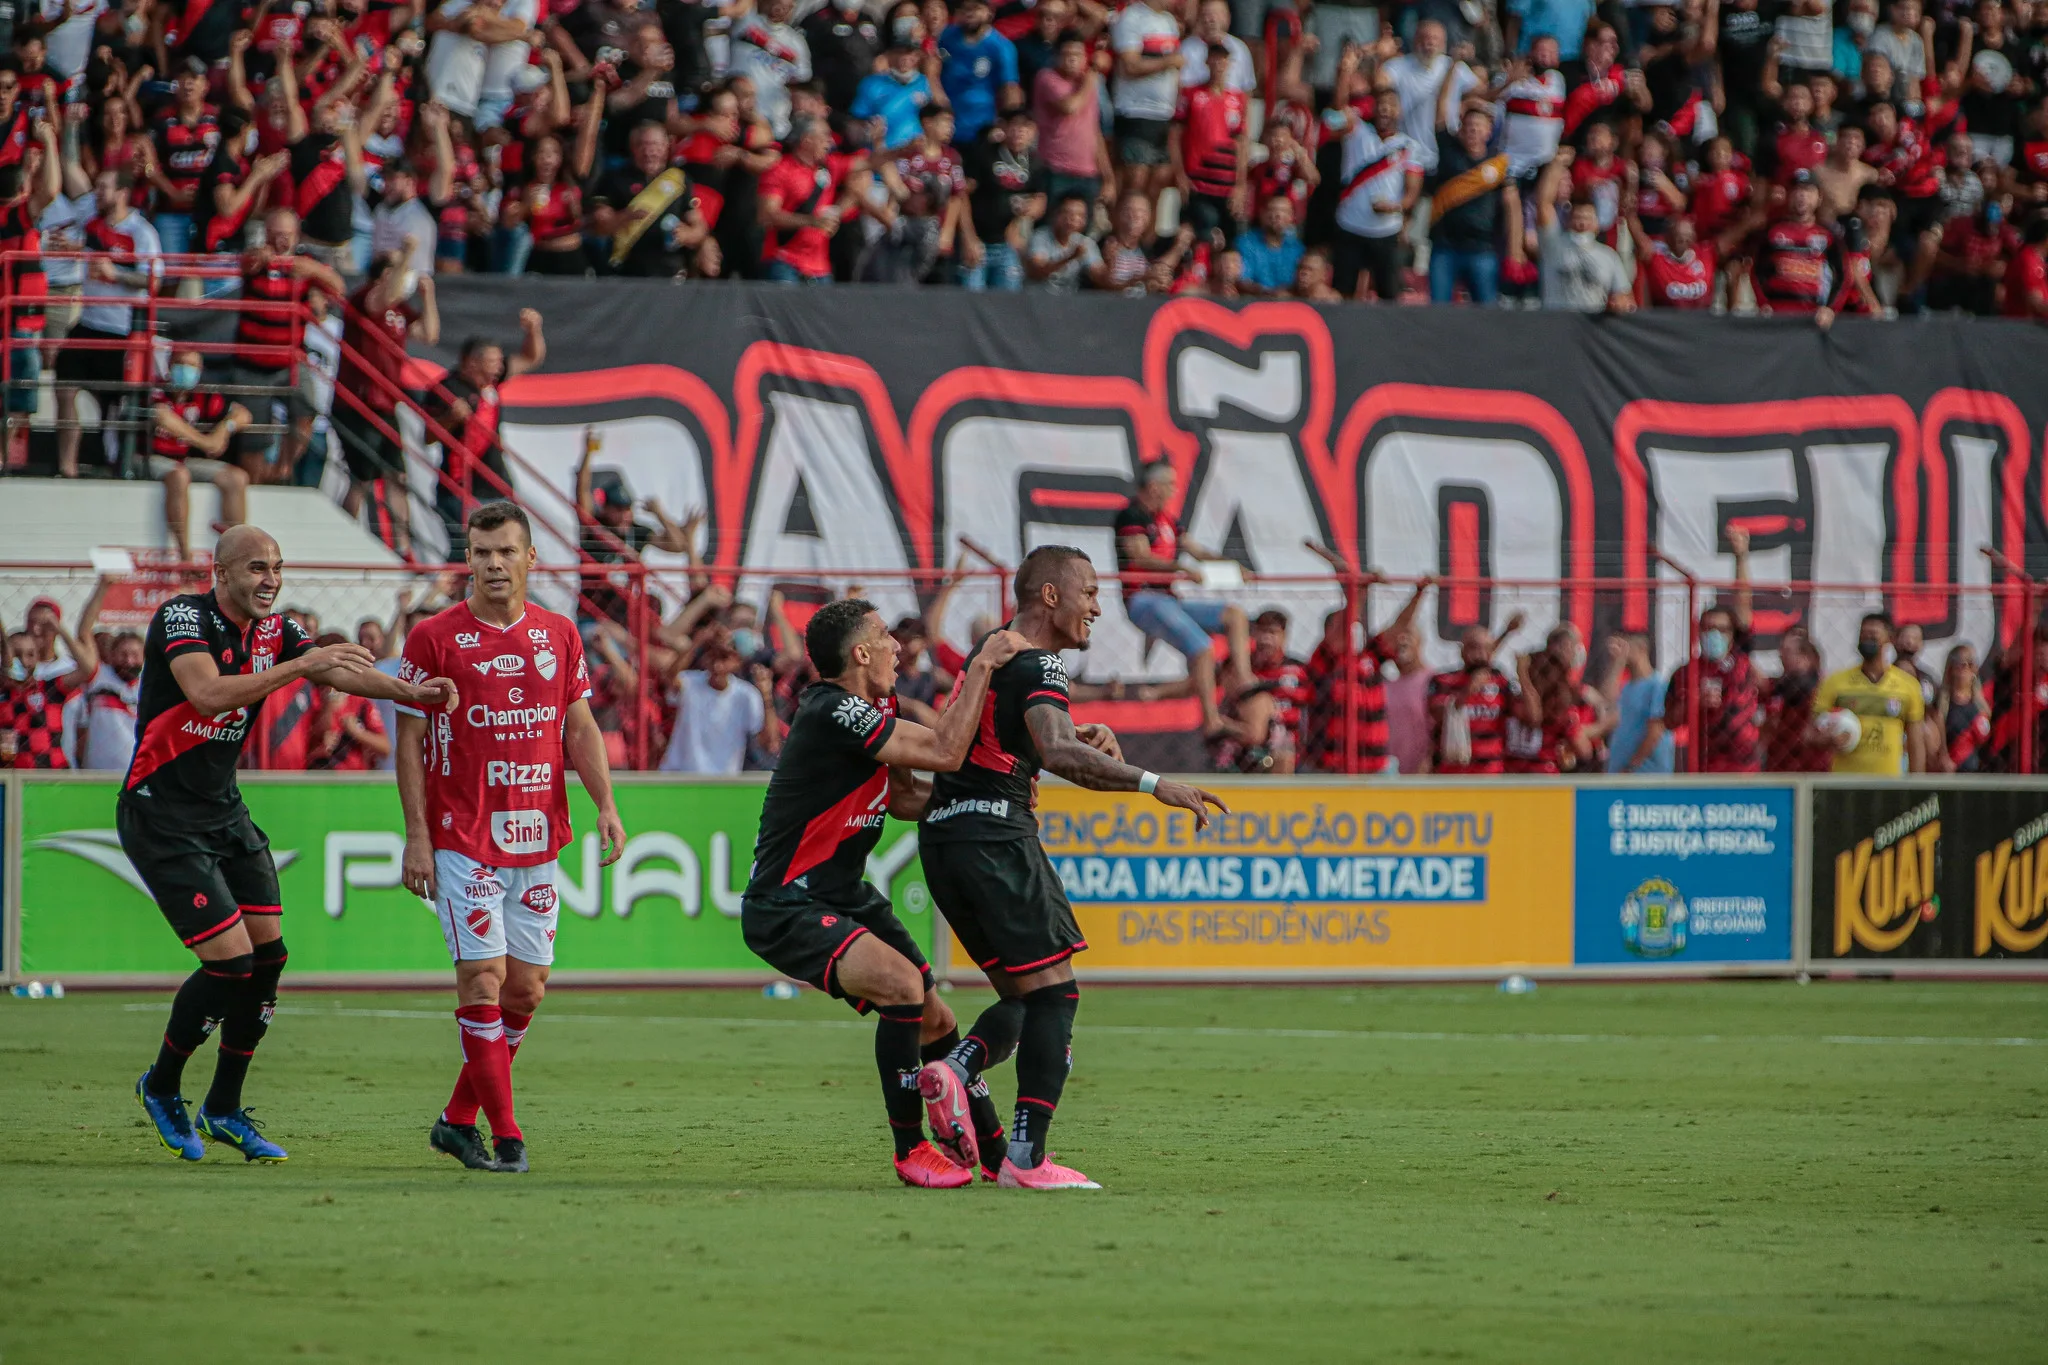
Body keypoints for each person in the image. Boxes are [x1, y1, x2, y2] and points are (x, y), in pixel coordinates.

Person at [127, 526, 453, 1163]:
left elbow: (340, 672)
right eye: (256, 567)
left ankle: (222, 1107)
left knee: (268, 960)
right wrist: (302, 666)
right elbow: (206, 692)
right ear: (220, 573)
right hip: (160, 814)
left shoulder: (276, 634)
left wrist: (410, 693)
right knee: (230, 964)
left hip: (223, 813)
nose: (270, 578)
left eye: (277, 566)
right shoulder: (181, 617)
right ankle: (162, 1085)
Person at [917, 546, 1224, 1190]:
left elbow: (1012, 742)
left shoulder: (993, 657)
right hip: (996, 840)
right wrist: (1153, 784)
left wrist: (1071, 738)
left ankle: (958, 1065)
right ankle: (1026, 1158)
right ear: (1050, 597)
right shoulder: (1039, 660)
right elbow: (1057, 751)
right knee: (1058, 993)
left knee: (1027, 1000)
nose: (1097, 605)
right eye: (1087, 591)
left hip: (943, 840)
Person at [738, 599, 1029, 1188]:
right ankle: (910, 1149)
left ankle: (998, 1154)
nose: (899, 646)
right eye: (884, 636)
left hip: (844, 893)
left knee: (936, 1015)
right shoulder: (832, 708)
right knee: (902, 987)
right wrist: (979, 668)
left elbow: (903, 798)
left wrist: (997, 801)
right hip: (788, 901)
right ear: (860, 653)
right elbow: (947, 750)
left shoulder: (879, 704)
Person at [396, 501, 624, 1174]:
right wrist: (417, 836)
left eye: (506, 551)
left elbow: (578, 727)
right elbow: (408, 741)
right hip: (462, 837)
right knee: (482, 979)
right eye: (482, 551)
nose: (494, 562)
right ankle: (508, 1135)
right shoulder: (432, 638)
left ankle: (456, 1120)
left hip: (538, 836)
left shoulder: (558, 635)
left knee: (526, 990)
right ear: (468, 558)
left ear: (530, 558)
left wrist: (605, 803)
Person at [1115, 459, 1250, 737]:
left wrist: (1233, 568)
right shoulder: (1131, 516)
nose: (1174, 492)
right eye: (1170, 485)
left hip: (1169, 599)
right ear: (1154, 487)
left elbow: (1199, 552)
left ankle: (1244, 679)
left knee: (1234, 615)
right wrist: (1180, 568)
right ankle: (1211, 720)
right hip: (1143, 600)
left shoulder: (1167, 521)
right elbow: (1140, 556)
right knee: (1202, 649)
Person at [55, 166, 160, 479]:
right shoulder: (92, 222)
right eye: (97, 187)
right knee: (64, 389)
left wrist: (116, 273)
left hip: (122, 331)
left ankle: (117, 466)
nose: (97, 193)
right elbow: (89, 250)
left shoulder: (141, 232)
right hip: (88, 322)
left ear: (122, 193)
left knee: (113, 406)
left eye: (104, 187)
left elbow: (153, 278)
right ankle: (66, 467)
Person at [336, 252, 439, 563]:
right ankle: (344, 537)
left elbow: (429, 334)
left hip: (386, 403)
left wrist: (428, 296)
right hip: (358, 402)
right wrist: (409, 250)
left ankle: (402, 546)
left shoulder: (399, 310)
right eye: (398, 270)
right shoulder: (365, 298)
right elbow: (377, 304)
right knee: (361, 477)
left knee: (398, 477)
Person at [429, 313, 546, 558]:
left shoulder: (489, 385)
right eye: (492, 361)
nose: (499, 367)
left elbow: (530, 357)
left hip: (496, 485)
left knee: (508, 552)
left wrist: (534, 330)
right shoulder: (447, 389)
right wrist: (451, 418)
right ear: (471, 362)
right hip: (460, 487)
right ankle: (453, 595)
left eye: (499, 362)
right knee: (468, 554)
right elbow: (427, 436)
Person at [1302, 570, 1431, 773]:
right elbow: (1342, 626)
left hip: (1374, 768)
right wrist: (1360, 590)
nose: (1352, 628)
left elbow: (1398, 628)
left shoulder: (1369, 657)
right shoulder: (1324, 661)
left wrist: (1419, 593)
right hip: (1330, 769)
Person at [1658, 527, 1761, 772]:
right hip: (1703, 765)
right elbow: (1669, 721)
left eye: (1722, 629)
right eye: (1708, 628)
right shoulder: (1685, 672)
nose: (1714, 634)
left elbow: (1743, 604)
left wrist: (1741, 557)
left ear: (1732, 634)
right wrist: (1694, 701)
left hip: (1743, 766)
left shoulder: (1740, 659)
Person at [149, 348, 254, 562]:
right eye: (182, 364)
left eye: (193, 366)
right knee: (179, 476)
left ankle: (237, 554)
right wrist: (206, 442)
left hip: (183, 459)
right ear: (169, 365)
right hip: (150, 457)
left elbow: (244, 414)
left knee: (237, 478)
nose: (188, 371)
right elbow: (163, 418)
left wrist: (225, 429)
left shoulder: (202, 395)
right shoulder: (155, 390)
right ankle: (185, 554)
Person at [1330, 89, 1423, 301]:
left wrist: (1395, 206)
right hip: (1349, 225)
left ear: (1399, 111)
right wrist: (1344, 72)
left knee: (1388, 294)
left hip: (1386, 231)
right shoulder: (1358, 132)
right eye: (1380, 104)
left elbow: (1412, 193)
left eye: (1391, 104)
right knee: (1343, 292)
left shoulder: (1409, 146)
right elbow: (1335, 115)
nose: (1385, 109)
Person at [2, 581, 105, 768]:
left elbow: (89, 668)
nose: (36, 629)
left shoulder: (61, 675)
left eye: (45, 624)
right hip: (15, 767)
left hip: (55, 764)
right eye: (31, 622)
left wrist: (60, 629)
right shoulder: (9, 679)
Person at [1812, 612, 1927, 773]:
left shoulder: (1908, 686)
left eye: (1873, 635)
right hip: (1844, 785)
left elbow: (1916, 743)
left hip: (1889, 785)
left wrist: (1917, 786)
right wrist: (1829, 738)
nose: (1866, 640)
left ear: (1890, 639)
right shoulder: (1835, 682)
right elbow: (1812, 732)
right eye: (1863, 635)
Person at [1526, 147, 1634, 312]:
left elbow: (1624, 296)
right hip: (1555, 325)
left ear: (1597, 224)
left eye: (1587, 219)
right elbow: (1544, 204)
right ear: (1568, 222)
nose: (1582, 224)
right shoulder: (1554, 245)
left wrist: (1619, 304)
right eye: (1578, 218)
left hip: (1590, 330)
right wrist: (1556, 164)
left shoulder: (1609, 256)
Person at [1428, 624, 1535, 775]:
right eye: (1474, 648)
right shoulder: (1444, 681)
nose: (1480, 655)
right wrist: (1468, 691)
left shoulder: (1500, 681)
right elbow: (1438, 715)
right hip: (1452, 774)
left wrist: (1523, 676)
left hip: (1490, 774)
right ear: (1462, 651)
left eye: (1487, 649)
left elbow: (1531, 718)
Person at [1168, 43, 1249, 241]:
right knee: (1198, 235)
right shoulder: (1191, 94)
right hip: (1197, 183)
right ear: (1206, 61)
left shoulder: (1237, 99)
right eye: (1214, 58)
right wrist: (1179, 175)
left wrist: (1240, 185)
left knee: (1228, 241)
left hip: (1226, 184)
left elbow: (1241, 143)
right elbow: (1174, 134)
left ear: (1229, 64)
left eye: (1223, 59)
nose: (1218, 64)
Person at [1110, 0, 1185, 213]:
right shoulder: (1131, 18)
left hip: (1165, 112)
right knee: (1134, 184)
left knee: (1156, 186)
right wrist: (1168, 62)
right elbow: (1129, 65)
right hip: (1136, 110)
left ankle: (1145, 243)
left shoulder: (1168, 21)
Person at [659, 645, 780, 772]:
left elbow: (770, 743)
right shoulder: (690, 682)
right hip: (681, 774)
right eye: (712, 658)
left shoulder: (746, 695)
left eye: (723, 659)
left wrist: (766, 696)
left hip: (722, 780)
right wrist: (698, 641)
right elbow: (669, 676)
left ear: (736, 662)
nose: (717, 666)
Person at [938, 0, 1020, 145]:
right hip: (945, 126)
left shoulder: (1001, 46)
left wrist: (1006, 125)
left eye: (976, 9)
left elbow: (1010, 89)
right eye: (965, 9)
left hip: (982, 127)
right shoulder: (946, 36)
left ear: (989, 12)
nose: (969, 14)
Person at [63, 629, 145, 773]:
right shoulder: (99, 676)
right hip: (98, 773)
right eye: (123, 654)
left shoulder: (151, 684)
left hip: (138, 773)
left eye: (135, 655)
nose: (129, 661)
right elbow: (84, 632)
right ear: (111, 655)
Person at [1602, 632, 1674, 773]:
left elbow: (1656, 731)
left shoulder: (1657, 685)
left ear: (1641, 648)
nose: (1617, 651)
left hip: (1645, 774)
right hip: (1621, 772)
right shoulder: (1627, 687)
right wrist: (1617, 664)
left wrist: (1632, 765)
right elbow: (1606, 700)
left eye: (1623, 646)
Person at [1024, 189, 1101, 289]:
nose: (1073, 219)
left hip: (1069, 302)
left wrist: (1111, 263)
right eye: (1067, 213)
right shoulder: (1040, 237)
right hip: (1037, 299)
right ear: (1054, 214)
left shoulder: (1086, 243)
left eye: (1080, 215)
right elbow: (1038, 271)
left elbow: (1099, 276)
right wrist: (1071, 257)